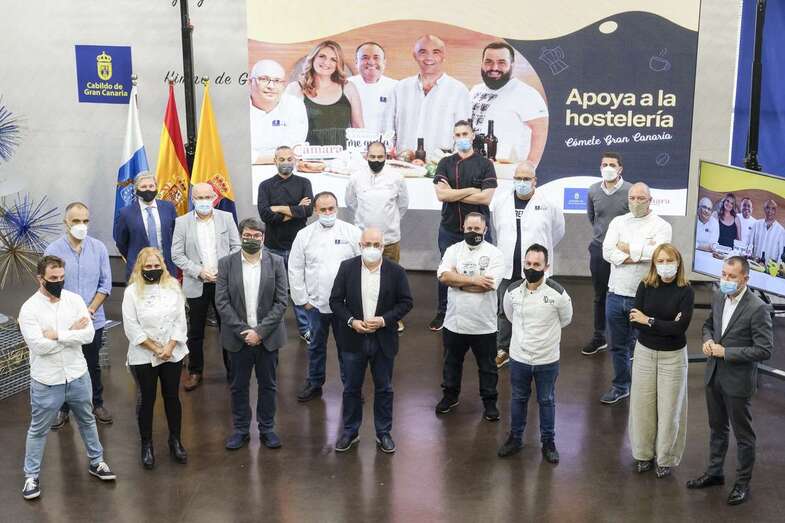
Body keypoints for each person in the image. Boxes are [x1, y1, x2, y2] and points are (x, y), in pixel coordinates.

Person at [18, 255, 116, 500]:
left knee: (87, 420)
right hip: (46, 381)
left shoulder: (74, 300)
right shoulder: (29, 309)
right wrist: (71, 333)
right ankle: (31, 476)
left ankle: (97, 461)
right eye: (53, 278)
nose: (59, 282)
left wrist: (58, 335)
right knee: (38, 429)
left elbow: (88, 335)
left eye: (62, 277)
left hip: (77, 375)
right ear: (40, 279)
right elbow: (39, 346)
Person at [687, 256, 773, 506]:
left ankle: (742, 483)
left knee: (743, 435)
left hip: (737, 381)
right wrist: (707, 340)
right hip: (714, 375)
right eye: (723, 274)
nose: (725, 280)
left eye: (732, 276)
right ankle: (715, 473)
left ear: (745, 278)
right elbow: (708, 325)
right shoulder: (718, 296)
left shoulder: (757, 308)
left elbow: (764, 349)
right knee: (717, 428)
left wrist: (727, 353)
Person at [328, 228, 413, 453]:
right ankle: (350, 431)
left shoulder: (396, 271)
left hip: (383, 340)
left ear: (383, 247)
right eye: (367, 244)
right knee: (351, 388)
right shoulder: (347, 268)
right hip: (353, 339)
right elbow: (335, 301)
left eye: (376, 244)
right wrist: (352, 321)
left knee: (384, 388)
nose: (372, 248)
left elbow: (406, 302)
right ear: (360, 245)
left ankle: (383, 432)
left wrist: (384, 320)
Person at [215, 218, 288, 451]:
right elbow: (222, 302)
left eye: (256, 235)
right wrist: (243, 332)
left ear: (263, 238)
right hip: (238, 339)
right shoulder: (226, 264)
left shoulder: (276, 262)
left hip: (268, 339)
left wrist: (260, 332)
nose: (252, 239)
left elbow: (281, 301)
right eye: (247, 235)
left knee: (268, 385)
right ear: (240, 236)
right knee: (238, 386)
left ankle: (267, 429)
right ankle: (241, 429)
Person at [497, 244, 572, 462]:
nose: (531, 268)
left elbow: (566, 319)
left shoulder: (558, 294)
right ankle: (515, 438)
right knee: (518, 398)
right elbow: (509, 315)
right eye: (528, 264)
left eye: (537, 265)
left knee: (546, 400)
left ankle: (548, 442)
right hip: (519, 358)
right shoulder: (512, 291)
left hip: (547, 359)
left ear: (546, 267)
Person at [601, 182, 672, 404]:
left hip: (645, 296)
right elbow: (607, 251)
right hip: (615, 293)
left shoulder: (662, 226)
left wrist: (627, 248)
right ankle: (621, 386)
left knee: (646, 347)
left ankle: (646, 390)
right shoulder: (618, 222)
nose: (636, 202)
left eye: (641, 198)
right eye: (632, 198)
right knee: (618, 346)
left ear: (650, 200)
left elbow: (658, 254)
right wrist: (638, 254)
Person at [627, 243, 694, 478]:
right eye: (660, 261)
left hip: (673, 357)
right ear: (654, 264)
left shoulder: (686, 291)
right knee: (642, 406)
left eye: (669, 261)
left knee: (670, 410)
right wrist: (663, 324)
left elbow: (679, 328)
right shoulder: (645, 286)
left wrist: (649, 320)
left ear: (678, 263)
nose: (665, 265)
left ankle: (665, 459)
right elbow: (634, 320)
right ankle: (643, 455)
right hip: (644, 353)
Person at [44, 202, 113, 428]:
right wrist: (67, 316)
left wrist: (90, 310)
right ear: (66, 223)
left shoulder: (99, 248)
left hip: (93, 320)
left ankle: (96, 403)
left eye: (85, 221)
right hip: (64, 322)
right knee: (64, 364)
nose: (81, 225)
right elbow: (49, 285)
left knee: (92, 364)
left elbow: (105, 284)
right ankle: (63, 409)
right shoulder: (53, 250)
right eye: (76, 221)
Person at [288, 192, 361, 402]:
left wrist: (356, 301)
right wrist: (303, 300)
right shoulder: (304, 235)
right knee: (315, 346)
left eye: (331, 208)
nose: (328, 213)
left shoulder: (352, 232)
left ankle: (351, 387)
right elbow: (295, 268)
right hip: (316, 304)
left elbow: (361, 266)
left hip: (345, 306)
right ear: (315, 210)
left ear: (337, 208)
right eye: (323, 209)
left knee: (347, 348)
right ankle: (314, 382)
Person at [490, 160, 564, 367]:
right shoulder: (501, 202)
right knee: (504, 310)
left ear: (535, 181)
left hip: (534, 269)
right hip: (507, 266)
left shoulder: (548, 204)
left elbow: (558, 231)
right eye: (518, 178)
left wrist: (540, 255)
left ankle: (531, 348)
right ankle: (503, 348)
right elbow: (497, 230)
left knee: (535, 310)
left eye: (526, 179)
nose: (521, 182)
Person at [122, 247, 189, 469]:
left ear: (163, 266)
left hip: (172, 352)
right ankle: (147, 445)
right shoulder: (131, 292)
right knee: (147, 399)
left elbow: (180, 320)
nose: (152, 269)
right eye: (148, 266)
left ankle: (175, 440)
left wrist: (169, 346)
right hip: (143, 355)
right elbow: (131, 327)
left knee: (172, 397)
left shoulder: (173, 286)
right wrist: (155, 348)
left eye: (156, 265)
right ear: (140, 268)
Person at [435, 212, 505, 421]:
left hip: (484, 324)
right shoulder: (453, 250)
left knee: (488, 367)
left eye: (477, 229)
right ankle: (450, 396)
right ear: (463, 228)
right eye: (469, 228)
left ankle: (490, 403)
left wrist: (458, 282)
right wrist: (474, 280)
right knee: (451, 363)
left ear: (485, 230)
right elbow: (444, 276)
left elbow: (488, 285)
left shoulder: (495, 254)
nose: (472, 232)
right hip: (454, 322)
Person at [172, 183, 241, 390]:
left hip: (223, 282)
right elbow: (177, 254)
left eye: (207, 197)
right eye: (199, 198)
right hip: (196, 283)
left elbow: (236, 246)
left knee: (227, 328)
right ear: (193, 199)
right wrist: (199, 271)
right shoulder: (182, 222)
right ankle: (195, 371)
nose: (204, 201)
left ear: (214, 197)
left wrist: (223, 269)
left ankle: (233, 370)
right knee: (195, 332)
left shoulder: (226, 218)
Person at [430, 120, 497, 331]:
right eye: (457, 135)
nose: (461, 138)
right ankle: (443, 312)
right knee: (446, 270)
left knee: (483, 269)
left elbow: (485, 198)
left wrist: (454, 193)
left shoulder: (485, 164)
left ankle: (484, 314)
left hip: (479, 229)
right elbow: (441, 195)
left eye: (465, 134)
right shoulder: (445, 163)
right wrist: (471, 190)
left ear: (473, 135)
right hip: (450, 229)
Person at [345, 140, 409, 330]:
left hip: (389, 239)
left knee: (391, 280)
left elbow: (403, 205)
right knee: (362, 278)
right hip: (363, 240)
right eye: (372, 156)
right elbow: (350, 203)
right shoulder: (356, 178)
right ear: (366, 156)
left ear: (386, 157)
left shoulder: (397, 177)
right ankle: (362, 315)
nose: (376, 160)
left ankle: (392, 317)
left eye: (380, 157)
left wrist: (390, 221)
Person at [257, 145, 314, 342]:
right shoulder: (265, 186)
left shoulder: (304, 182)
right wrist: (295, 209)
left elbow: (308, 212)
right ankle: (269, 328)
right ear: (275, 161)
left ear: (295, 160)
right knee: (271, 291)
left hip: (298, 246)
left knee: (299, 289)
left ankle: (305, 329)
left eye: (289, 159)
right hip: (272, 247)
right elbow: (265, 215)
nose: (286, 162)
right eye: (281, 159)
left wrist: (278, 208)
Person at [383, 35, 471, 160]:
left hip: (442, 165)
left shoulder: (459, 91)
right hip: (403, 164)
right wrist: (388, 155)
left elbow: (464, 135)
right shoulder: (400, 88)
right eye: (423, 52)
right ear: (415, 55)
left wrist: (457, 164)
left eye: (436, 52)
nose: (429, 57)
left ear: (443, 56)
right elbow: (388, 130)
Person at [582, 152, 630, 356]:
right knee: (600, 295)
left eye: (612, 164)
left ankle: (628, 340)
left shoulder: (630, 191)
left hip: (623, 254)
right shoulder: (593, 190)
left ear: (620, 169)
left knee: (626, 295)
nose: (608, 168)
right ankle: (599, 336)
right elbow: (593, 218)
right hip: (599, 249)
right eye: (604, 164)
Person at [469, 41, 548, 165]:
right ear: (482, 63)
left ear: (512, 65)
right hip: (473, 165)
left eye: (501, 62)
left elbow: (541, 131)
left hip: (507, 169)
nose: (494, 67)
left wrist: (530, 165)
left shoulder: (527, 93)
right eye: (488, 62)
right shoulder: (475, 90)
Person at [286, 40, 363, 146]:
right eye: (322, 56)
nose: (326, 62)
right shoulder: (295, 88)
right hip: (307, 155)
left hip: (343, 155)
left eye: (333, 59)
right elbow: (285, 128)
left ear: (338, 64)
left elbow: (358, 127)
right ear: (313, 58)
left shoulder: (348, 88)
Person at [114, 172, 177, 280]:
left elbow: (175, 234)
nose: (148, 189)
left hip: (166, 268)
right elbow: (121, 243)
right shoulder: (125, 213)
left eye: (151, 186)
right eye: (143, 187)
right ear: (136, 189)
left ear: (156, 187)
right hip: (138, 269)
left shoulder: (168, 208)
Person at [249, 59, 308, 163]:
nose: (271, 86)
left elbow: (292, 150)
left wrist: (255, 157)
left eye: (277, 81)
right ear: (250, 82)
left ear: (283, 85)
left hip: (284, 169)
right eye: (264, 79)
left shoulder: (294, 105)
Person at [347, 42, 397, 133]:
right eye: (365, 58)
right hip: (353, 140)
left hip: (387, 140)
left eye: (376, 57)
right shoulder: (346, 85)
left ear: (384, 62)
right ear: (356, 62)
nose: (371, 62)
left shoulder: (396, 87)